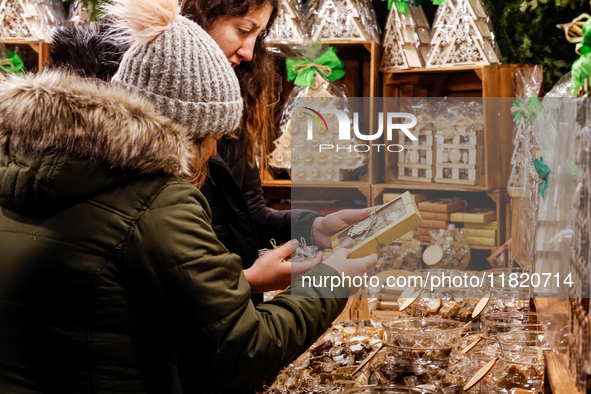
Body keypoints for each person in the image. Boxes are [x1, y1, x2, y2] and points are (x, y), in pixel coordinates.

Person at [0, 0, 377, 393]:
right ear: (181, 130)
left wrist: (297, 235)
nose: (215, 153)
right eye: (212, 138)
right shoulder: (156, 201)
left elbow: (119, 294)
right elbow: (246, 350)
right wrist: (332, 278)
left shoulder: (37, 170)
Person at [182, 0, 374, 297]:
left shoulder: (237, 102)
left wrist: (314, 228)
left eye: (257, 37)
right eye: (243, 30)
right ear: (197, 16)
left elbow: (249, 214)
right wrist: (247, 282)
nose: (248, 52)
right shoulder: (140, 131)